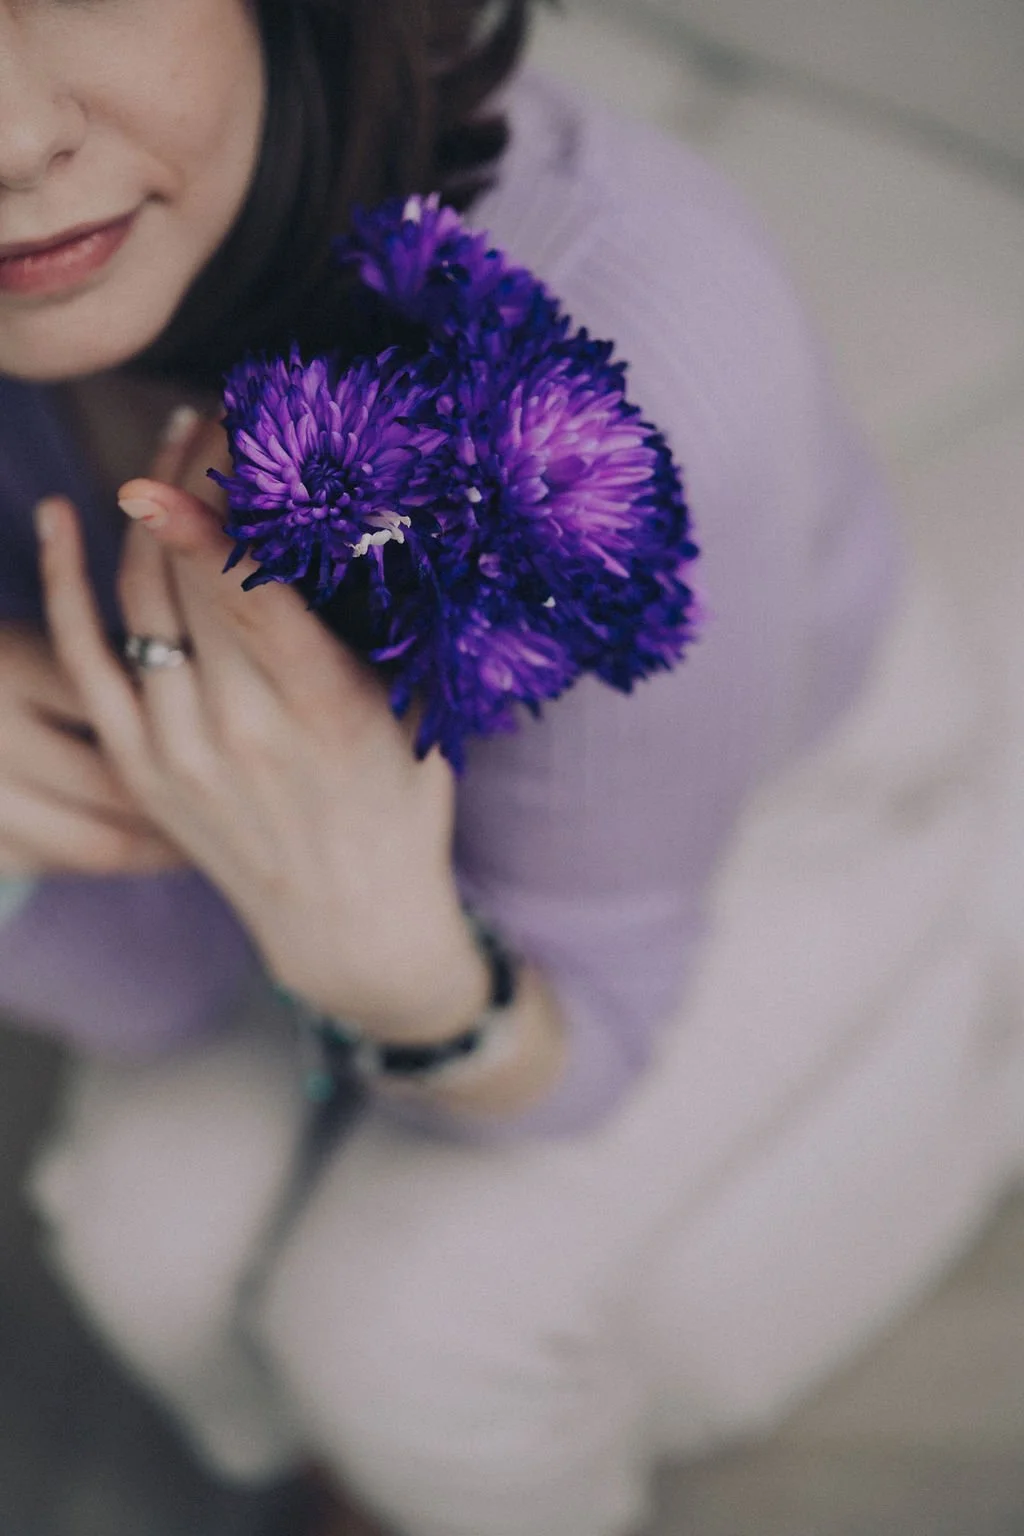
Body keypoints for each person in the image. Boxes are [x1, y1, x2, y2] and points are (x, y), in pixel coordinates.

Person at [0, 3, 1020, 1535]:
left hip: (772, 802)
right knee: (143, 1238)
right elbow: (155, 981)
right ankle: (309, 1485)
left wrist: (403, 978)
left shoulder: (617, 368)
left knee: (408, 1338)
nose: (11, 140)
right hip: (282, 838)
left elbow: (582, 1025)